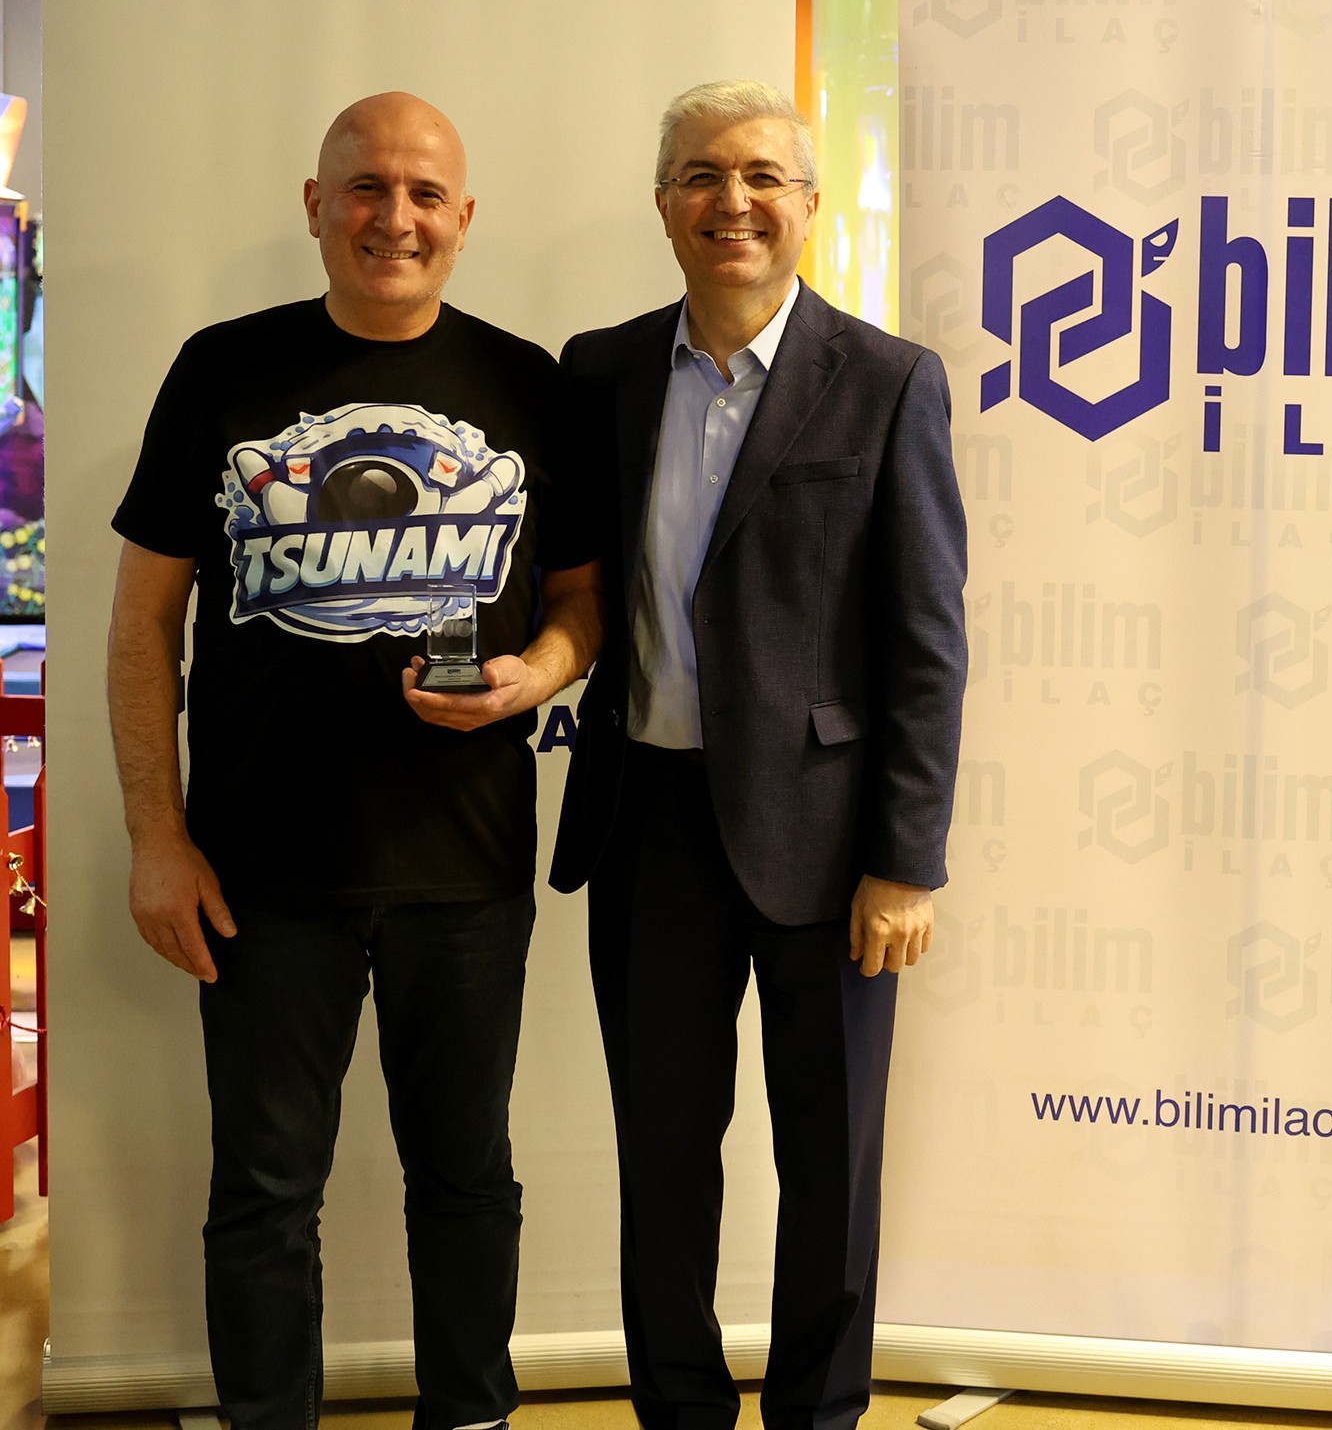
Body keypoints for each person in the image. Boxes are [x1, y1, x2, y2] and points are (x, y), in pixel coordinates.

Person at [107, 91, 602, 1430]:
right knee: (264, 1193)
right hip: (260, 873)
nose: (397, 217)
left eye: (425, 192)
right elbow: (143, 627)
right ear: (316, 206)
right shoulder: (221, 369)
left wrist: (536, 675)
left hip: (468, 866)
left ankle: (472, 1417)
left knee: (467, 1179)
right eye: (368, 188)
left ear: (465, 216)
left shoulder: (529, 385)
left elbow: (582, 603)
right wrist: (158, 836)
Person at [550, 80, 967, 1430]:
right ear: (662, 203)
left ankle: (817, 1418)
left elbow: (927, 642)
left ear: (809, 205)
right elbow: (572, 582)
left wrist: (906, 861)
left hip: (832, 842)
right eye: (700, 175)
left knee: (830, 1166)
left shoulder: (889, 380)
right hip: (649, 826)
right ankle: (679, 1413)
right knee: (663, 1160)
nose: (731, 201)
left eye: (761, 177)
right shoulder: (600, 372)